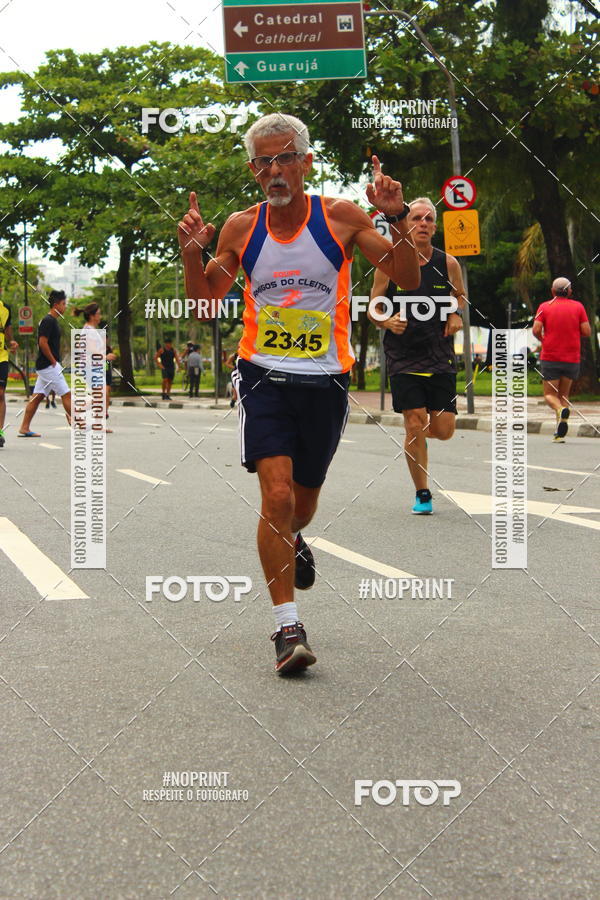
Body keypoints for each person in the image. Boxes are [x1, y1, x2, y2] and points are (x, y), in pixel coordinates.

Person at [178, 112, 419, 674]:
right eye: (264, 161)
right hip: (261, 373)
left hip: (326, 379)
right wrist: (192, 251)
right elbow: (205, 300)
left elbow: (406, 277)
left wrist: (398, 218)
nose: (275, 170)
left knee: (301, 506)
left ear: (306, 162)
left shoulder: (340, 217)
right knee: (278, 496)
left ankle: (293, 539)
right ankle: (288, 627)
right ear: (252, 170)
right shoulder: (241, 227)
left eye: (286, 157)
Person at [369, 197, 466, 515]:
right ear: (405, 225)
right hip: (403, 355)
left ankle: (417, 434)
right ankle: (422, 492)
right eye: (416, 219)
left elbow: (459, 299)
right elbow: (374, 305)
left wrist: (454, 315)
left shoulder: (447, 263)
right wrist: (386, 320)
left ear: (435, 227)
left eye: (428, 219)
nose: (422, 223)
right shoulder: (389, 261)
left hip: (439, 354)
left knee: (444, 431)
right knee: (414, 422)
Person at [533, 277, 591, 442]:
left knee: (550, 395)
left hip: (551, 356)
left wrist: (544, 339)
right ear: (569, 291)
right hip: (572, 357)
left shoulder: (545, 307)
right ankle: (559, 434)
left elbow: (536, 329)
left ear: (552, 291)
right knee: (564, 395)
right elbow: (586, 331)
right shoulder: (578, 307)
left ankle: (559, 411)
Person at [19, 290, 71, 437]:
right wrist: (54, 361)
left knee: (37, 397)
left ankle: (24, 427)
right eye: (63, 304)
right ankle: (81, 424)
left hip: (46, 365)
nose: (65, 307)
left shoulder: (51, 321)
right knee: (66, 394)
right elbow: (42, 342)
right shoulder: (48, 321)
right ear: (56, 305)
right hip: (49, 366)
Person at [75, 303, 116, 432]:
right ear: (92, 316)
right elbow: (91, 349)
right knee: (101, 395)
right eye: (98, 313)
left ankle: (98, 424)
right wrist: (106, 357)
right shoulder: (88, 330)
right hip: (90, 367)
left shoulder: (92, 330)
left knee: (101, 396)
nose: (100, 316)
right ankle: (75, 411)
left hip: (96, 367)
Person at [0, 295, 19, 448]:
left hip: (1, 356)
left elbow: (7, 330)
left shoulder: (5, 308)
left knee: (0, 393)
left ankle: (0, 432)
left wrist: (11, 342)